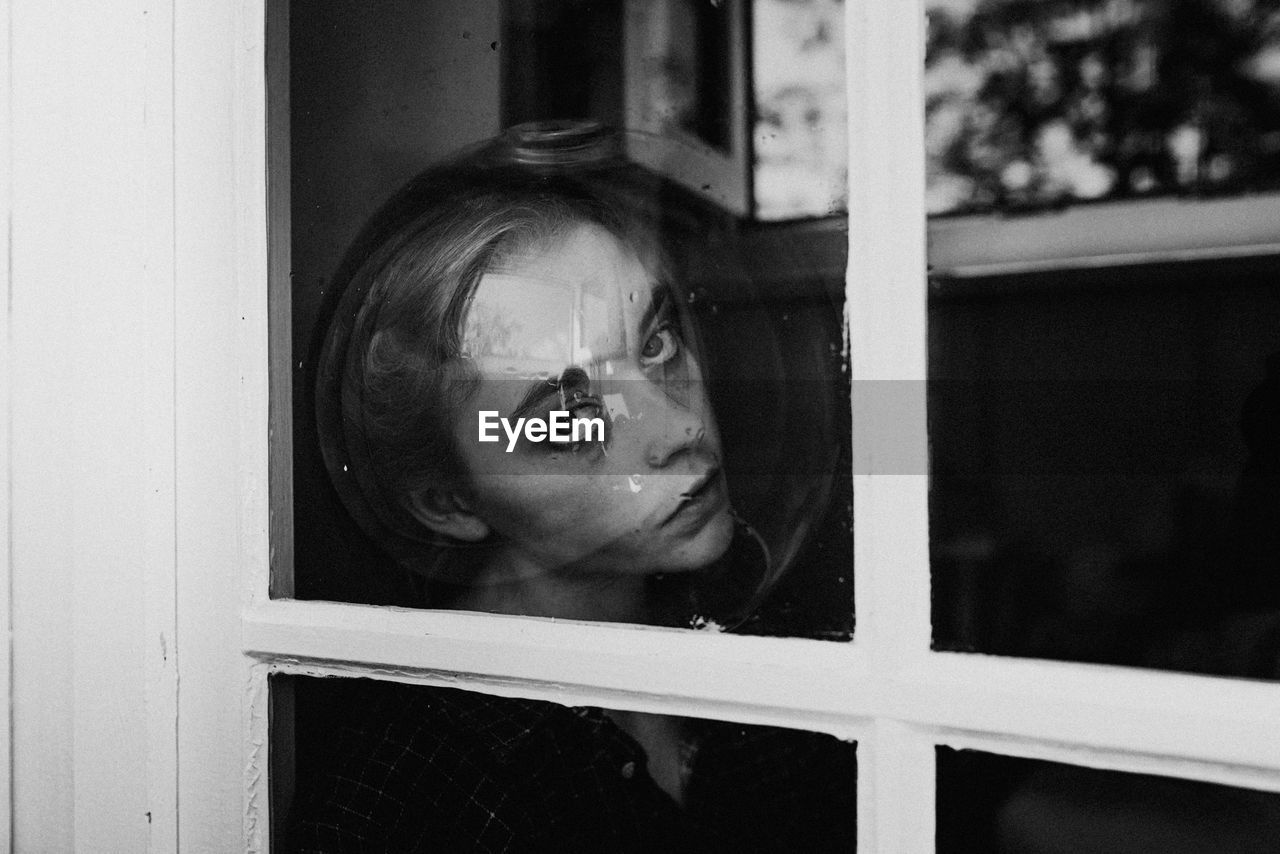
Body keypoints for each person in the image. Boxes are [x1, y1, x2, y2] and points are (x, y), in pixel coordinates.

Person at [288, 124, 856, 853]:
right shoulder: (418, 779)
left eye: (656, 343)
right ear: (450, 502)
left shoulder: (753, 649)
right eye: (568, 412)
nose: (677, 428)